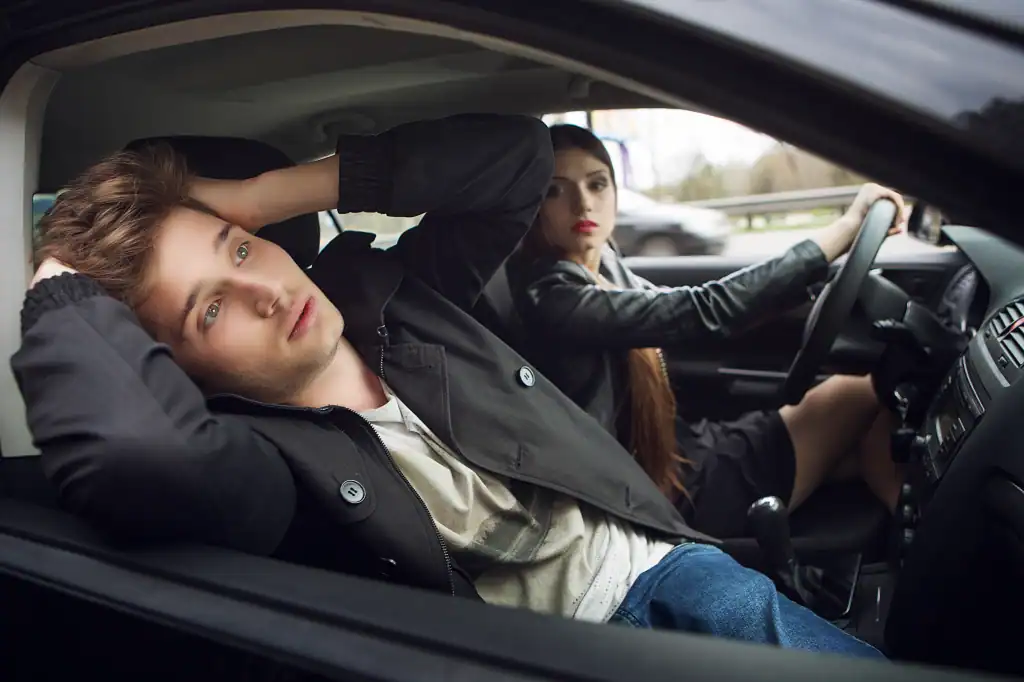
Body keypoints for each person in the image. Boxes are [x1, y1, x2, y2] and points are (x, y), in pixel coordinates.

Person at [13, 113, 880, 657]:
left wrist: (259, 193)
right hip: (564, 650)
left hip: (662, 561)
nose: (267, 291)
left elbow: (514, 159)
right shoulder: (267, 458)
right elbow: (138, 455)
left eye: (241, 249)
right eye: (210, 311)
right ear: (179, 366)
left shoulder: (397, 291)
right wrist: (56, 284)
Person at [507, 124, 906, 539]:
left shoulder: (605, 265)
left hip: (684, 452)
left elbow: (692, 303)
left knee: (867, 434)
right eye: (556, 190)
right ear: (535, 205)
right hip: (661, 497)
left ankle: (913, 545)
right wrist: (846, 229)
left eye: (597, 184)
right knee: (862, 394)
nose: (583, 204)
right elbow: (704, 309)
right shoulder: (551, 296)